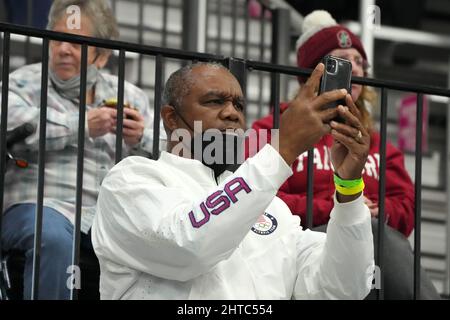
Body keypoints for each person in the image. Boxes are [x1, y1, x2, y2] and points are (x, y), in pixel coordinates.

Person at [92, 61, 375, 300]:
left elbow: (343, 288)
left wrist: (348, 188)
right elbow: (188, 246)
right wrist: (283, 149)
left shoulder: (272, 208)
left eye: (239, 104)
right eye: (214, 101)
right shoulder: (130, 180)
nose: (232, 113)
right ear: (172, 118)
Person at [251, 10, 440, 299]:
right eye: (340, 60)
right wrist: (340, 207)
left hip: (373, 249)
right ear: (311, 73)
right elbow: (260, 200)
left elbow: (406, 206)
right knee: (370, 237)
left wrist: (379, 212)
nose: (354, 68)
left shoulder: (378, 143)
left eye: (359, 62)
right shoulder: (273, 128)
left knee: (376, 237)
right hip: (300, 246)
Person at [0, 0, 163, 299]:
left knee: (165, 247)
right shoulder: (22, 82)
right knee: (51, 236)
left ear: (101, 57)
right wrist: (81, 124)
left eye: (75, 43)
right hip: (39, 206)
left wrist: (141, 137)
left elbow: (168, 149)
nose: (63, 49)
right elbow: (8, 121)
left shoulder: (130, 96)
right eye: (57, 39)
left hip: (109, 216)